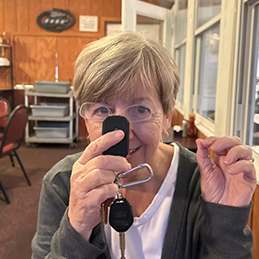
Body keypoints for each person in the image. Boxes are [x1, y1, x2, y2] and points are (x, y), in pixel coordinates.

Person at [31, 32, 256, 259]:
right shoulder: (62, 183)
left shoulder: (203, 184)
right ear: (86, 121)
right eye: (102, 110)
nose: (122, 135)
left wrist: (226, 222)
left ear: (167, 117)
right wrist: (76, 228)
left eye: (140, 109)